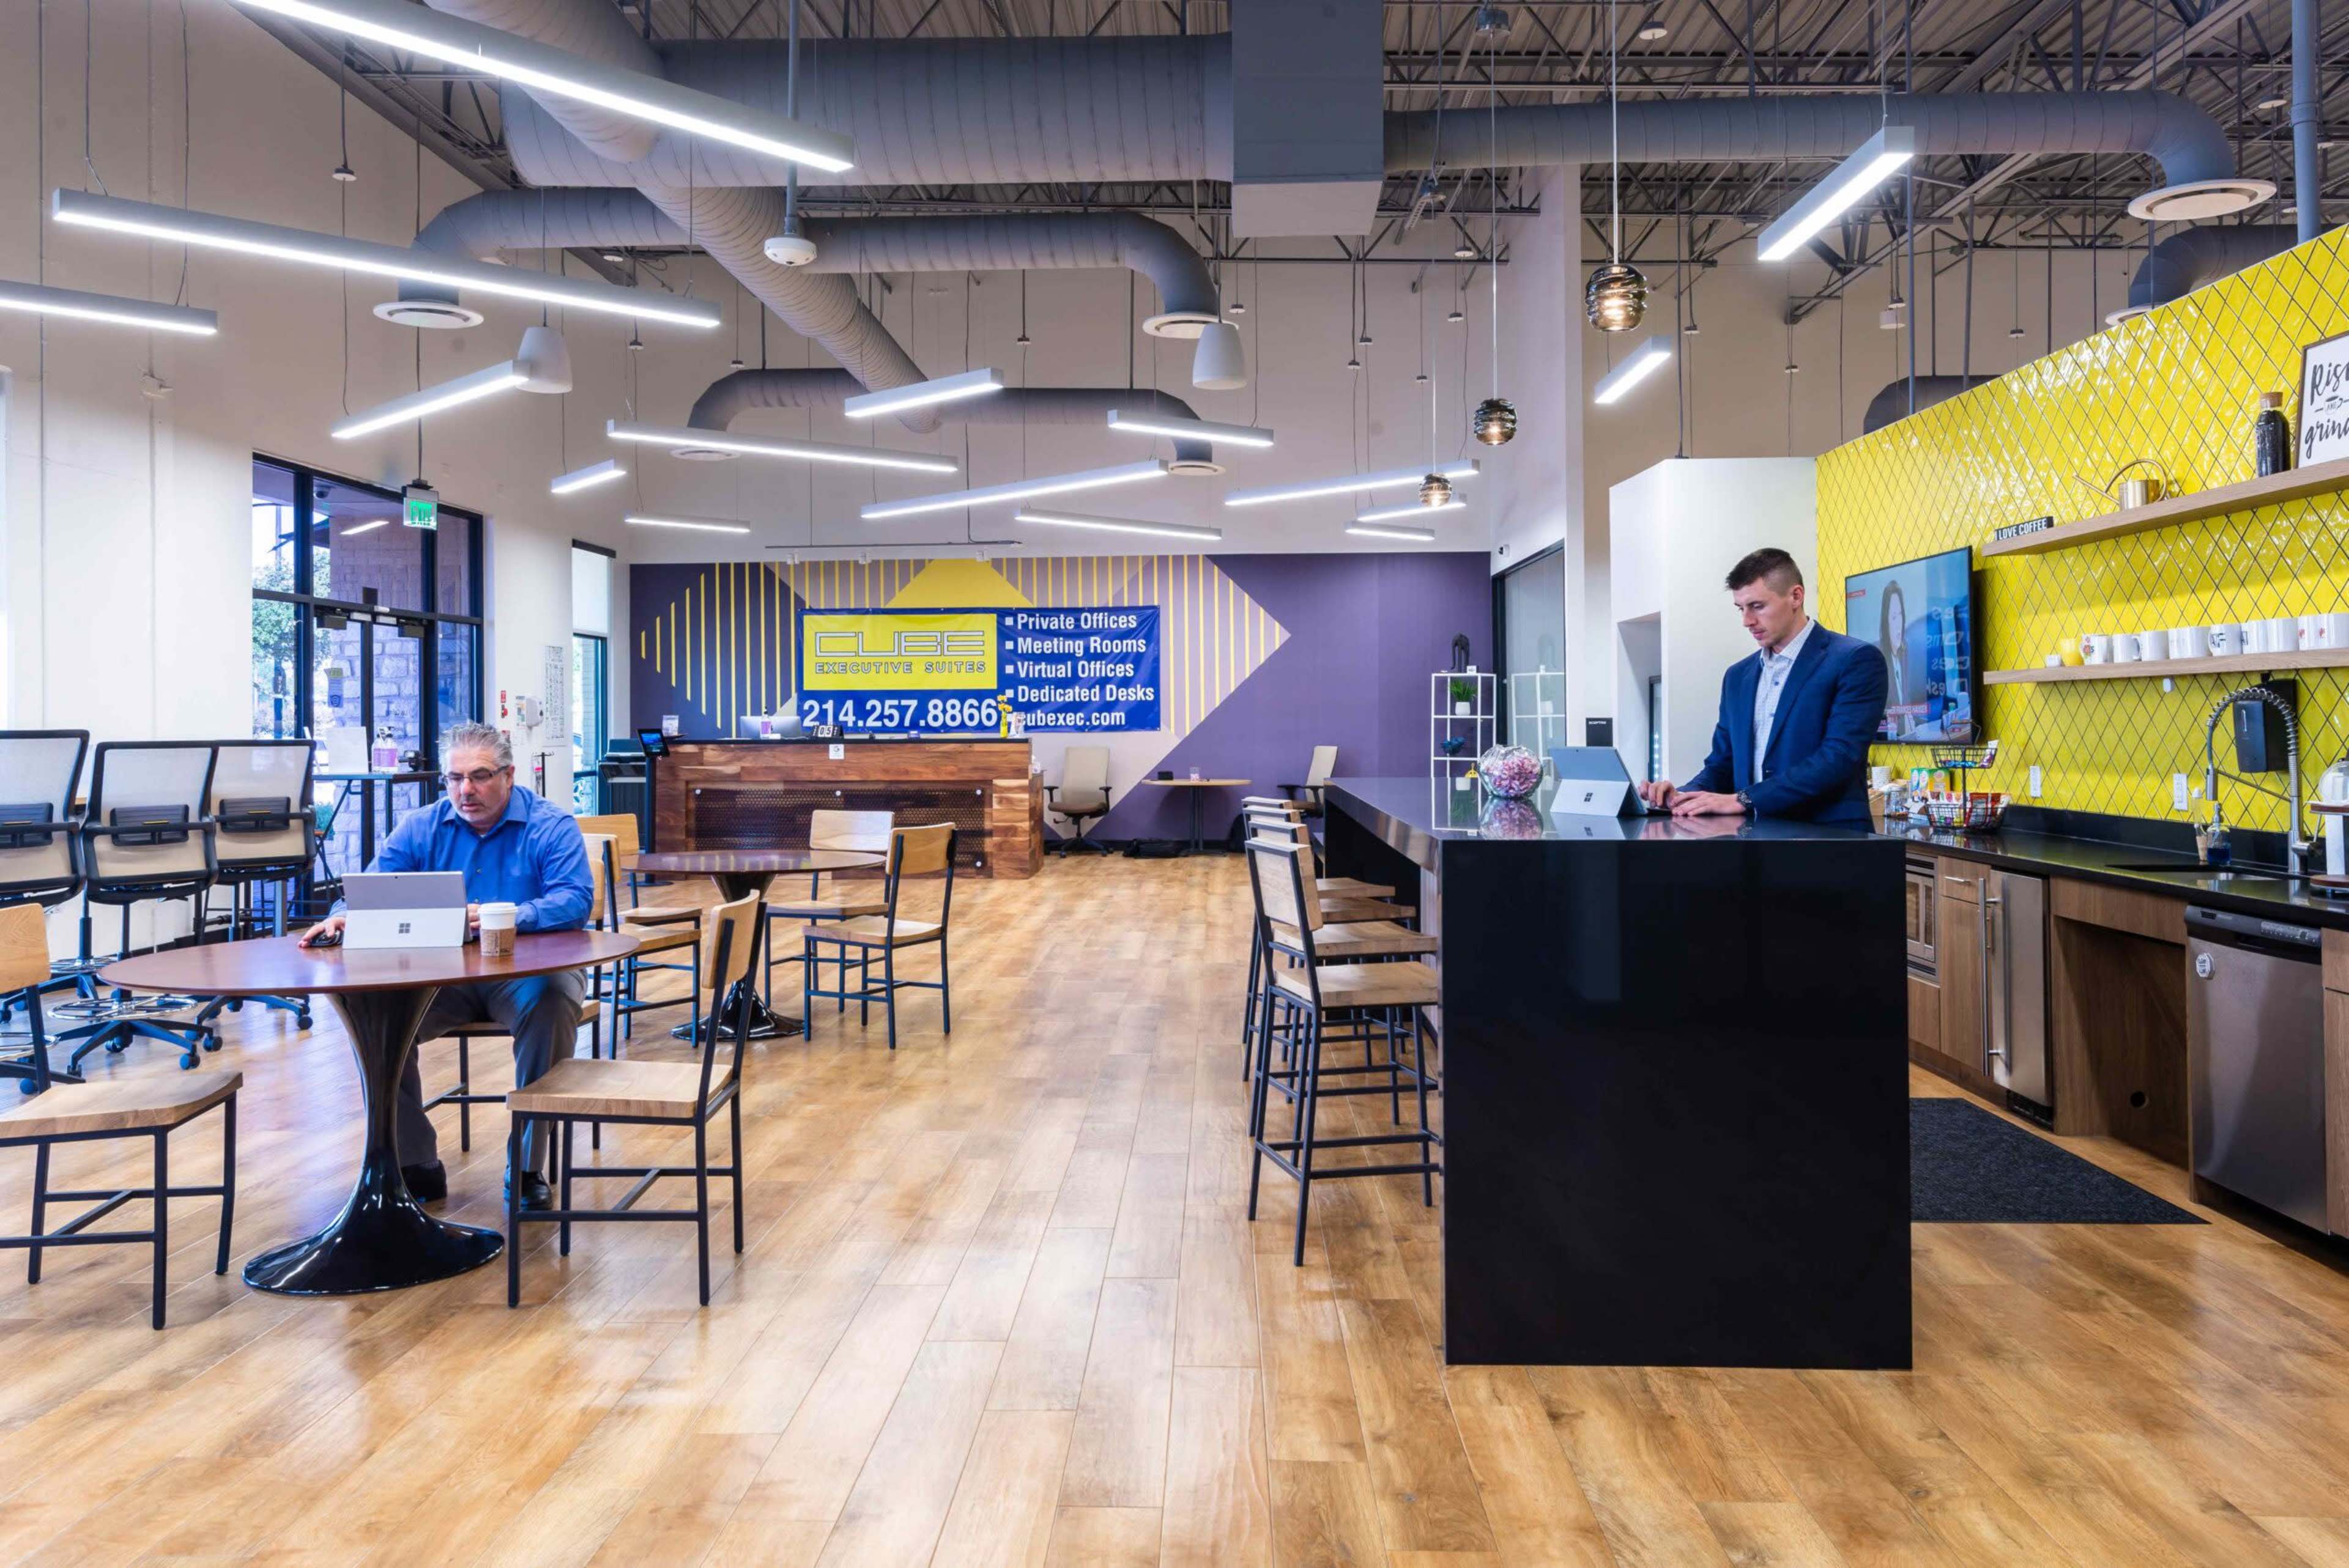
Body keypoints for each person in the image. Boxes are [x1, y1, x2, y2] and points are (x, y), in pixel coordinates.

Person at [300, 721, 593, 1210]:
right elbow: (370, 889)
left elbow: (575, 901)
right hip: (442, 977)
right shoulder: (422, 826)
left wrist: (508, 916)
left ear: (509, 775)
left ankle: (526, 1168)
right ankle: (413, 1162)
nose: (466, 790)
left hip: (525, 977)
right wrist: (341, 918)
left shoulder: (550, 825)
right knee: (372, 1009)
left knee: (554, 1000)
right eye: (454, 779)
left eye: (479, 776)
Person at [1636, 548, 1887, 826]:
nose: (1747, 621)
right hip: (1754, 844)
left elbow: (1838, 758)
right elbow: (1722, 765)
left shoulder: (1854, 660)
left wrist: (1744, 800)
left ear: (1796, 596)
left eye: (1757, 606)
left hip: (1829, 843)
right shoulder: (1737, 676)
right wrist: (1681, 797)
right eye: (1741, 609)